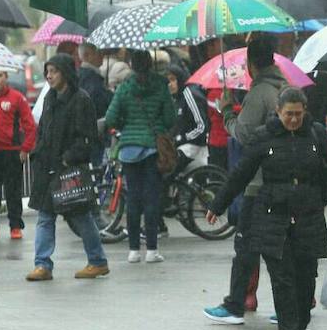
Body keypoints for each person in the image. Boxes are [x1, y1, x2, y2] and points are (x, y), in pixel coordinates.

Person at [206, 87, 327, 330]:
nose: (293, 120)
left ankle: (301, 327)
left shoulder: (317, 135)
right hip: (273, 217)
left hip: (309, 215)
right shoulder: (265, 137)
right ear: (278, 113)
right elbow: (241, 173)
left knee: (305, 280)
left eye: (297, 114)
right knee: (282, 281)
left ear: (304, 112)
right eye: (288, 115)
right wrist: (218, 203)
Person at [203, 35, 289, 324]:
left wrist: (226, 110)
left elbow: (245, 134)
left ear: (251, 63)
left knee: (246, 247)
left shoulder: (260, 93)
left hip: (258, 182)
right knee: (280, 248)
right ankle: (289, 305)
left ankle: (235, 304)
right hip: (284, 179)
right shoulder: (286, 89)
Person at [27, 53, 109, 281]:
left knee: (81, 216)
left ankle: (97, 261)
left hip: (68, 169)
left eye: (54, 71)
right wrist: (37, 153)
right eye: (48, 71)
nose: (49, 76)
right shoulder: (49, 98)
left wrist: (68, 158)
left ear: (65, 73)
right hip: (47, 167)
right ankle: (42, 264)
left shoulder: (81, 99)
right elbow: (43, 129)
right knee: (45, 217)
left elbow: (87, 137)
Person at [104, 50, 176, 263]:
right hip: (153, 149)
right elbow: (170, 118)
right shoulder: (161, 86)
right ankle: (152, 250)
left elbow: (110, 118)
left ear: (132, 66)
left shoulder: (124, 89)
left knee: (133, 199)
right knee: (151, 199)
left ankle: (134, 251)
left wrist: (126, 124)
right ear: (150, 64)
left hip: (129, 151)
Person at [0, 69, 36, 240]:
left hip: (12, 153)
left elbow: (30, 125)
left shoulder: (17, 98)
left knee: (13, 192)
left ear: (6, 77)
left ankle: (15, 226)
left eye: (0, 75)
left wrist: (25, 148)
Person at [167, 63, 209, 173]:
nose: (169, 84)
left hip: (193, 147)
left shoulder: (189, 94)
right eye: (167, 81)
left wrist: (182, 138)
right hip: (180, 147)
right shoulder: (175, 98)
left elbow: (201, 126)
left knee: (168, 170)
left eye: (172, 80)